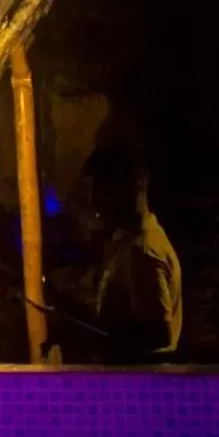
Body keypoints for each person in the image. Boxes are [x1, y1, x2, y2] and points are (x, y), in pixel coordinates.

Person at [79, 142, 182, 362]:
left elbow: (159, 334)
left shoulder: (142, 250)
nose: (92, 201)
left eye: (98, 190)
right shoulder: (134, 241)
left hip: (138, 388)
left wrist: (87, 332)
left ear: (132, 187)